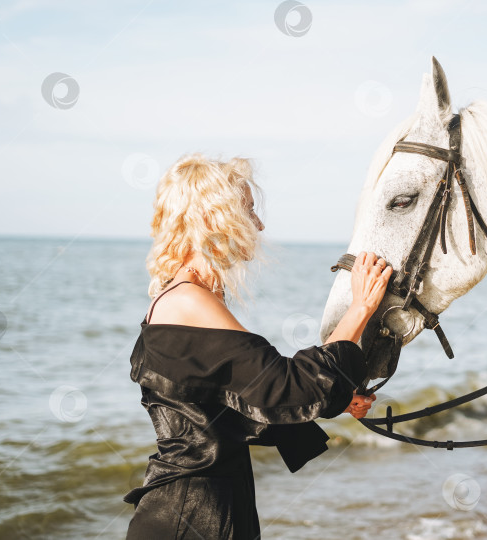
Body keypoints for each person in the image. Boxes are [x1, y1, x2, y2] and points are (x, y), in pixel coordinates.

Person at [124, 153, 391, 539]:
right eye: (249, 210)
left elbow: (242, 411)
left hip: (202, 509)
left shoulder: (183, 299)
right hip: (191, 517)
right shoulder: (189, 302)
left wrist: (339, 397)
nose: (259, 224)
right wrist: (361, 307)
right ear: (216, 218)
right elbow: (289, 385)